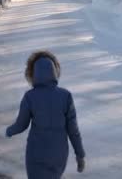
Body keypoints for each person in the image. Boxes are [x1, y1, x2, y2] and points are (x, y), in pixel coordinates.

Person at [5, 51, 86, 179]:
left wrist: (9, 131)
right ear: (55, 71)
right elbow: (73, 130)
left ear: (33, 74)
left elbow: (21, 125)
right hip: (59, 154)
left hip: (36, 154)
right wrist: (80, 154)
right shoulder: (65, 96)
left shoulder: (30, 97)